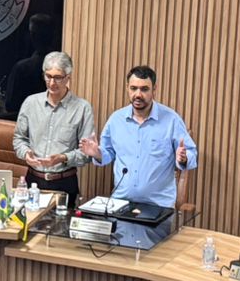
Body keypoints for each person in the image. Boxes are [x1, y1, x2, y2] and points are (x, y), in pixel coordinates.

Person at [79, 65, 197, 208]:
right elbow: (107, 154)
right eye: (133, 88)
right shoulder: (116, 120)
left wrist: (184, 158)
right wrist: (97, 153)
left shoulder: (171, 120)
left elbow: (191, 153)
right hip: (120, 203)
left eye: (144, 89)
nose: (138, 94)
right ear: (127, 88)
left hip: (159, 206)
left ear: (154, 89)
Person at [12, 51, 95, 202]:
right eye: (48, 76)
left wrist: (63, 158)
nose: (52, 83)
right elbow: (19, 139)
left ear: (68, 77)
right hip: (33, 181)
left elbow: (87, 154)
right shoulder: (31, 103)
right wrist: (26, 153)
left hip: (64, 183)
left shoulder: (82, 108)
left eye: (57, 78)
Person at [2, 13, 58, 113]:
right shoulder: (63, 67)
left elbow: (11, 105)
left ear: (32, 36)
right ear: (53, 35)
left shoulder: (22, 69)